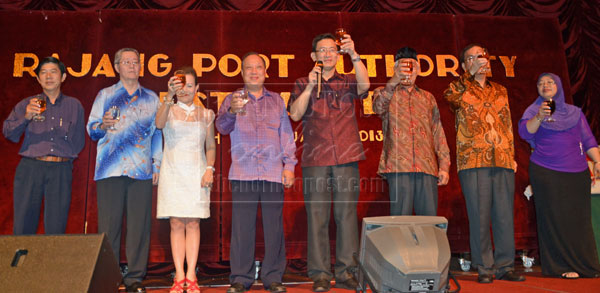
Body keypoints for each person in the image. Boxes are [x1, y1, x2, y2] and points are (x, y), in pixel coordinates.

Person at [289, 32, 370, 292]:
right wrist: (311, 86)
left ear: (338, 54)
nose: (327, 54)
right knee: (317, 217)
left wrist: (355, 55)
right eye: (321, 50)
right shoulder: (303, 82)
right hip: (316, 158)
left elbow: (366, 86)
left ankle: (347, 272)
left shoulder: (347, 80)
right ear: (313, 56)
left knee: (346, 215)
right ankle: (320, 274)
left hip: (346, 156)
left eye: (332, 50)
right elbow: (295, 113)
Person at [216, 52, 297, 293]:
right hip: (243, 172)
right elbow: (221, 127)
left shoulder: (277, 101)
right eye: (248, 68)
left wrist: (289, 166)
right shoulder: (232, 99)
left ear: (265, 72)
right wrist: (231, 110)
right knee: (242, 227)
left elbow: (286, 135)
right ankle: (241, 277)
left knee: (274, 227)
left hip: (273, 172)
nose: (254, 71)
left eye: (258, 67)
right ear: (242, 73)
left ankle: (273, 277)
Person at [443, 44, 524, 283]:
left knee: (504, 214)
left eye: (484, 56)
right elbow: (452, 99)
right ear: (465, 64)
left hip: (502, 158)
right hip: (473, 159)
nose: (482, 60)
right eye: (475, 57)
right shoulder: (457, 87)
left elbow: (507, 124)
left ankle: (505, 265)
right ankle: (485, 267)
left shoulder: (501, 90)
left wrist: (511, 155)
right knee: (479, 214)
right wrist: (469, 76)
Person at [87, 48, 162, 293]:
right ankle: (108, 277)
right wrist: (103, 124)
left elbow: (158, 134)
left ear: (141, 66)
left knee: (139, 226)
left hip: (141, 169)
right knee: (109, 226)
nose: (132, 65)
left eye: (136, 62)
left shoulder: (151, 98)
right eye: (126, 62)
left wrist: (157, 164)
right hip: (110, 168)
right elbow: (92, 130)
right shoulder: (105, 95)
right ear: (117, 66)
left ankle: (135, 279)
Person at [518, 73, 600, 279]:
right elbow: (525, 133)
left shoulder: (574, 112)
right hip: (546, 172)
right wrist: (539, 116)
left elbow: (588, 140)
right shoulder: (533, 110)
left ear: (559, 86)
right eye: (541, 83)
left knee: (578, 220)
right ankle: (560, 266)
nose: (545, 85)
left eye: (550, 82)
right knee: (553, 220)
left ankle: (585, 265)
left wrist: (598, 161)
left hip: (577, 172)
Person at [3, 56, 85, 235]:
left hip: (60, 169)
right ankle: (22, 263)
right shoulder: (27, 104)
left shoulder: (74, 105)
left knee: (56, 226)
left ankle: (52, 264)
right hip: (31, 167)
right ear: (38, 79)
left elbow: (79, 142)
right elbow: (9, 133)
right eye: (44, 73)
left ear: (63, 77)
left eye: (53, 72)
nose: (49, 76)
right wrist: (26, 117)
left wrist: (63, 158)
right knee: (24, 223)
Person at [155, 66, 216, 293]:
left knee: (193, 222)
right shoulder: (167, 109)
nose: (186, 90)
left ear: (197, 88)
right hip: (172, 172)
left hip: (197, 173)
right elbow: (158, 125)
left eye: (190, 86)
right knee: (176, 223)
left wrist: (209, 168)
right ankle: (178, 275)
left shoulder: (206, 114)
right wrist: (168, 97)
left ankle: (191, 276)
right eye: (181, 86)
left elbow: (210, 145)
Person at [372, 47, 450, 216]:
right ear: (394, 70)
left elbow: (438, 132)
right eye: (402, 67)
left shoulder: (428, 98)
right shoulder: (384, 92)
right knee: (400, 221)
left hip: (427, 167)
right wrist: (393, 81)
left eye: (412, 66)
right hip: (399, 166)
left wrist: (444, 166)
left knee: (429, 221)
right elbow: (378, 108)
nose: (407, 71)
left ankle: (427, 244)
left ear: (419, 70)